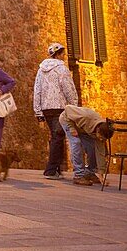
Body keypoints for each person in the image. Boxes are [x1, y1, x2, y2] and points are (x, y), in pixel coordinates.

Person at [33, 42, 78, 180]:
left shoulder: (41, 70)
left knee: (55, 136)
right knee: (58, 138)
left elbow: (37, 89)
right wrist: (74, 104)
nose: (64, 56)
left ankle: (57, 169)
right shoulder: (62, 69)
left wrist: (38, 111)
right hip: (59, 107)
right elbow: (68, 88)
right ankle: (51, 170)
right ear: (57, 55)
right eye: (62, 53)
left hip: (46, 108)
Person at [61, 104, 115, 186]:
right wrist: (71, 128)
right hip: (67, 121)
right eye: (100, 137)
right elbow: (68, 109)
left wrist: (101, 175)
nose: (101, 140)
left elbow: (100, 153)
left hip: (83, 129)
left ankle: (89, 173)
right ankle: (78, 175)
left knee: (92, 148)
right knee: (76, 143)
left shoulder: (101, 132)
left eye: (103, 139)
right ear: (98, 130)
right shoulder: (86, 116)